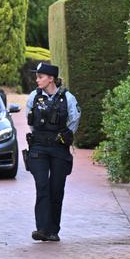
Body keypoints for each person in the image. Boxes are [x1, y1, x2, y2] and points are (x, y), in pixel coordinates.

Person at [24, 62, 80, 242]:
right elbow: (30, 121)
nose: (37, 80)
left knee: (56, 189)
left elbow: (74, 119)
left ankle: (53, 230)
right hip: (39, 147)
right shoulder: (33, 97)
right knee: (42, 186)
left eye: (40, 77)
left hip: (59, 148)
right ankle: (42, 229)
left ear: (51, 79)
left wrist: (64, 137)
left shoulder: (68, 98)